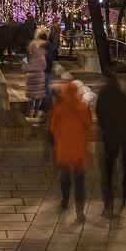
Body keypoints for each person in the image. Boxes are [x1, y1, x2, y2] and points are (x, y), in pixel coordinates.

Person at [95, 66, 126, 218]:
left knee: (108, 168)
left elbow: (99, 113)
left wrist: (105, 128)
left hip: (110, 137)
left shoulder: (103, 96)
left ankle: (108, 200)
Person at [48, 73, 93, 223]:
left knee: (65, 178)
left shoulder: (59, 109)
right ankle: (80, 212)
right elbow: (88, 125)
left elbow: (53, 128)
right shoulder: (83, 108)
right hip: (79, 151)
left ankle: (65, 201)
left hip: (64, 151)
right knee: (80, 182)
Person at [23, 37, 47, 117]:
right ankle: (36, 110)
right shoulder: (41, 55)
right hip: (39, 77)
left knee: (31, 96)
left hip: (31, 78)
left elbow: (24, 67)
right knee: (38, 96)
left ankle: (31, 110)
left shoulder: (28, 56)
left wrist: (25, 63)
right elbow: (44, 66)